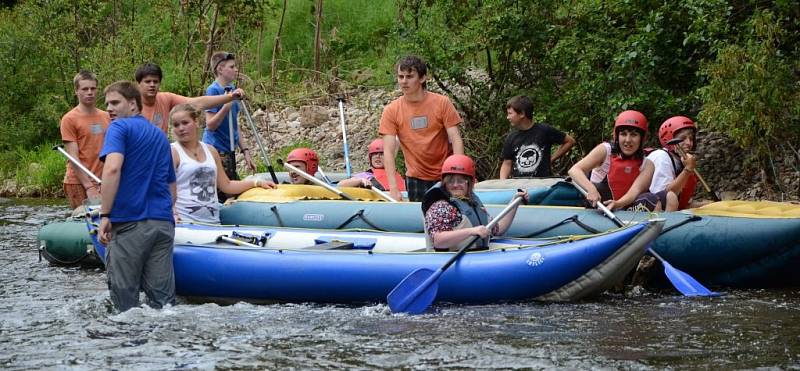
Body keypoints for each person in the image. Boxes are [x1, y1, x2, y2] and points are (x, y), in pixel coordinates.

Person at [97, 81, 177, 312]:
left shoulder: (119, 128)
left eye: (115, 102)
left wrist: (105, 215)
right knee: (163, 306)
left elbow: (112, 169)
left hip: (130, 223)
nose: (109, 109)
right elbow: (172, 187)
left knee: (124, 306)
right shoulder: (161, 136)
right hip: (162, 225)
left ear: (133, 104)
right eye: (107, 104)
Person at [170, 104, 276, 223]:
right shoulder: (172, 152)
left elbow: (226, 185)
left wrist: (256, 182)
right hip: (184, 221)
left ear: (196, 122)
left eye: (185, 123)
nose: (181, 128)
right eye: (176, 125)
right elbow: (163, 187)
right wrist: (171, 212)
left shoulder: (211, 150)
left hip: (212, 221)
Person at [379, 55, 464, 202]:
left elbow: (456, 139)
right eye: (401, 77)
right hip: (415, 177)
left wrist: (458, 173)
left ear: (423, 78)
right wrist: (393, 188)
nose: (404, 81)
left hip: (445, 173)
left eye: (410, 76)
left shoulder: (441, 103)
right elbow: (388, 151)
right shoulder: (391, 110)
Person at [422, 155, 527, 252]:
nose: (455, 185)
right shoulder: (440, 206)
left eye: (460, 181)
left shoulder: (473, 203)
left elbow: (499, 229)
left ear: (470, 182)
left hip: (475, 258)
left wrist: (514, 202)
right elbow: (439, 241)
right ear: (444, 183)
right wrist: (471, 231)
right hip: (450, 261)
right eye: (450, 181)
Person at [568, 110, 660, 211]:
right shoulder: (605, 150)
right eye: (623, 134)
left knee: (653, 199)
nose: (628, 140)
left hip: (627, 209)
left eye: (634, 135)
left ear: (642, 139)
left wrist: (617, 204)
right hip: (598, 207)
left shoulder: (648, 165)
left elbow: (634, 192)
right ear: (617, 136)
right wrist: (591, 189)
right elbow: (574, 170)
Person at [134, 62, 245, 135]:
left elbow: (198, 103)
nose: (152, 85)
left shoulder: (165, 98)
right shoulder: (131, 106)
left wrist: (230, 97)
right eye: (148, 82)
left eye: (155, 81)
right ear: (139, 84)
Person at [202, 52, 256, 194]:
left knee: (234, 186)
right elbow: (210, 125)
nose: (236, 69)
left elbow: (234, 124)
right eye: (232, 67)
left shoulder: (232, 89)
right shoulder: (213, 90)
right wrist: (226, 105)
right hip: (216, 149)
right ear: (220, 69)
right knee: (224, 190)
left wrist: (246, 152)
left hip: (229, 148)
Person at [59, 71, 111, 208]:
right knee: (85, 222)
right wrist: (89, 186)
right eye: (85, 89)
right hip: (78, 181)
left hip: (102, 179)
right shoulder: (69, 119)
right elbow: (73, 156)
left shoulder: (107, 117)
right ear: (76, 91)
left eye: (93, 88)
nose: (90, 92)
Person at [500, 95, 575, 178]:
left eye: (510, 113)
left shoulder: (544, 130)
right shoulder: (511, 137)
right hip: (519, 186)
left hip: (542, 184)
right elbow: (506, 163)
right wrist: (503, 184)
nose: (508, 117)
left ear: (522, 114)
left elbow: (570, 141)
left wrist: (551, 159)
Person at [647, 116, 702, 211]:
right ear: (668, 139)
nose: (689, 143)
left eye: (691, 139)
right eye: (683, 138)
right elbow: (665, 198)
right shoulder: (661, 157)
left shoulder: (681, 160)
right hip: (651, 209)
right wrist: (687, 169)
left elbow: (683, 204)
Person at [337, 138, 406, 191]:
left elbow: (396, 142)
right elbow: (340, 185)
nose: (377, 157)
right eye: (374, 154)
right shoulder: (366, 175)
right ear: (370, 158)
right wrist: (360, 181)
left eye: (381, 154)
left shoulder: (394, 174)